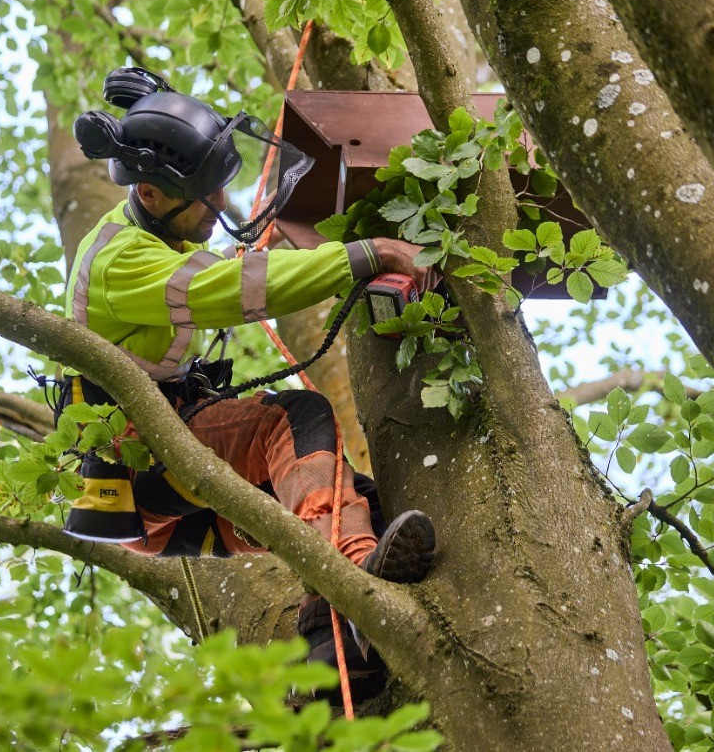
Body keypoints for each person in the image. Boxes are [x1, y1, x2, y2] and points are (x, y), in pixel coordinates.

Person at [65, 67, 436, 699]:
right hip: (138, 466)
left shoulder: (158, 236)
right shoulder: (120, 258)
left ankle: (328, 656)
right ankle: (353, 586)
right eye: (204, 200)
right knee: (293, 420)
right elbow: (236, 289)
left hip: (166, 474)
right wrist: (368, 254)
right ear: (151, 196)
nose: (221, 210)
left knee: (353, 495)